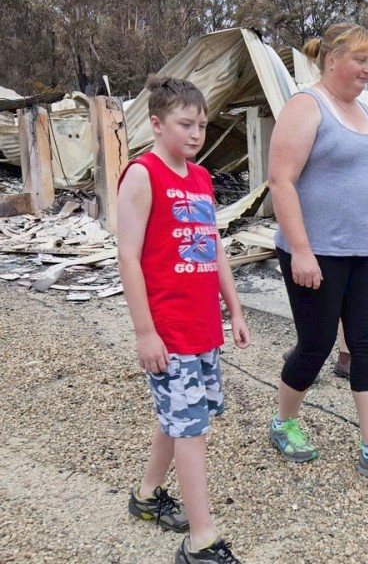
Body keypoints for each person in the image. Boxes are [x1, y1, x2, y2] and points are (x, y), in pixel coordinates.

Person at [267, 23, 368, 487]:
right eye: (360, 60)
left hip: (366, 251)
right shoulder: (305, 106)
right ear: (332, 60)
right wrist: (301, 251)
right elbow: (281, 182)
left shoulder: (366, 113)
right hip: (317, 254)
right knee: (315, 346)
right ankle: (283, 422)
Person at [117, 76, 251, 563]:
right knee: (192, 431)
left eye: (201, 125)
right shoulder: (142, 174)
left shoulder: (201, 178)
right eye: (185, 124)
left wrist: (233, 309)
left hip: (203, 329)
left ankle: (148, 495)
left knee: (183, 418)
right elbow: (128, 258)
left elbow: (213, 247)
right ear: (156, 123)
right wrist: (144, 332)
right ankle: (201, 539)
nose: (196, 133)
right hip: (168, 333)